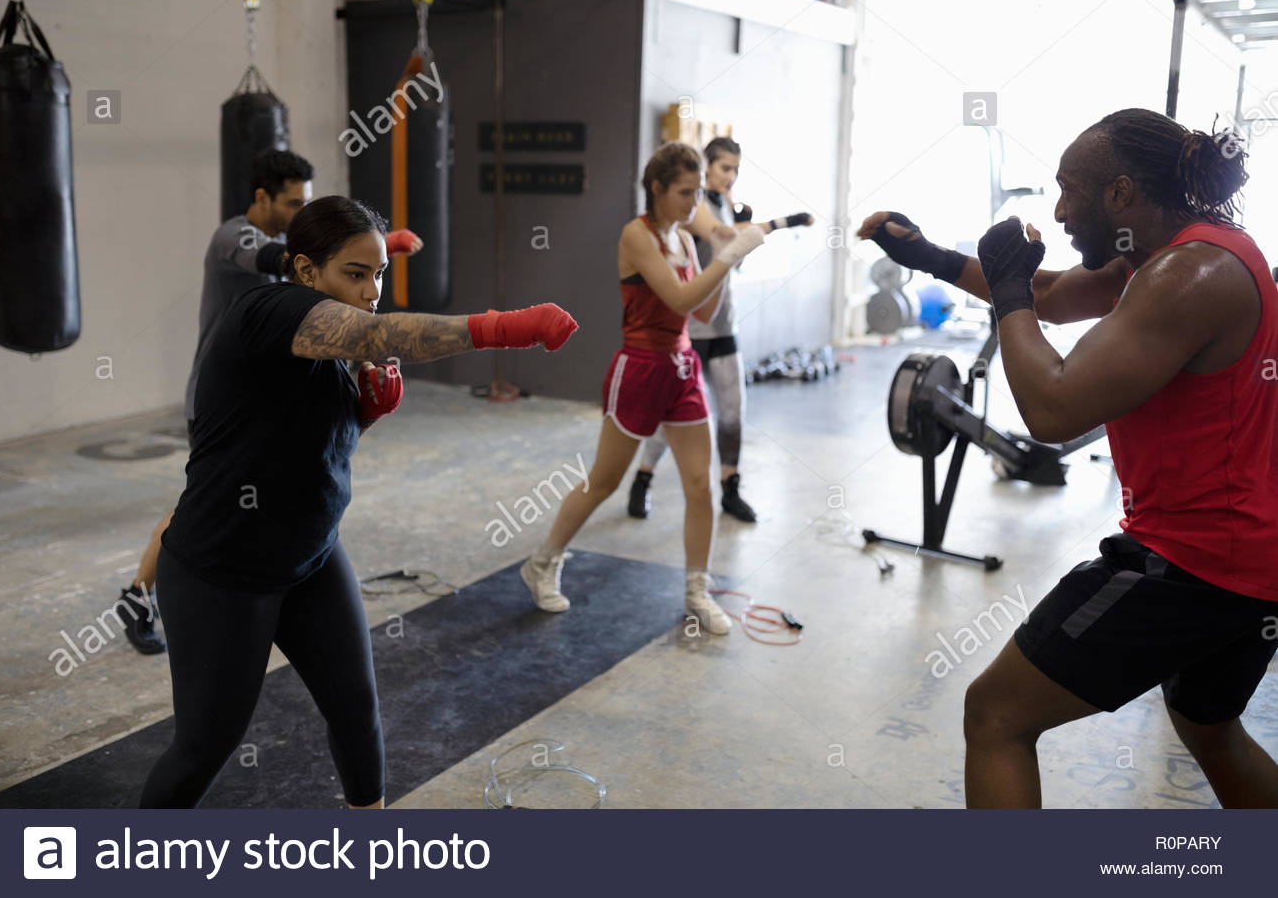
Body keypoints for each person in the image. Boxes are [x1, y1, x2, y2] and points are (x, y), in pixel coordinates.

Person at [860, 107, 1278, 808]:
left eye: (1068, 190)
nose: (1057, 211)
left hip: (1193, 563)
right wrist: (929, 255)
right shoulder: (1180, 253)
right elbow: (1049, 298)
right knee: (1209, 727)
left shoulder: (1187, 278)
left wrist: (1011, 290)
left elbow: (1053, 410)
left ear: (1119, 194)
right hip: (1251, 559)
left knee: (996, 714)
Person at [139, 195, 575, 807]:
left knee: (357, 713)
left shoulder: (334, 350)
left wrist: (363, 414)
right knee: (205, 745)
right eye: (355, 272)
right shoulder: (272, 309)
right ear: (304, 271)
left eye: (378, 274)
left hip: (311, 558)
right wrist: (505, 328)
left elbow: (309, 450)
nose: (372, 290)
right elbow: (380, 330)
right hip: (224, 571)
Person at [110, 151, 422, 655]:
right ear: (261, 198)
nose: (303, 212)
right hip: (226, 399)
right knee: (205, 501)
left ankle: (281, 587)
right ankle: (139, 594)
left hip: (273, 393)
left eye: (309, 201)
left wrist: (371, 257)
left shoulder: (293, 252)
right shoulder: (234, 237)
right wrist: (369, 247)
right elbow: (274, 260)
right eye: (294, 203)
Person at [518, 142, 767, 633]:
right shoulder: (637, 235)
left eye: (698, 193)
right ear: (656, 188)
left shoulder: (683, 238)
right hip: (641, 366)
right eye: (683, 192)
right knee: (605, 480)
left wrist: (722, 260)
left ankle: (698, 588)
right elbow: (677, 297)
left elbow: (702, 313)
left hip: (681, 365)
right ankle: (543, 562)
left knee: (700, 483)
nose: (692, 203)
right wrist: (728, 255)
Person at [628, 136, 813, 522]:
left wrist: (772, 225)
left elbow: (733, 235)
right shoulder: (687, 218)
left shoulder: (719, 208)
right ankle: (642, 479)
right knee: (668, 418)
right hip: (688, 333)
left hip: (721, 320)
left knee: (732, 412)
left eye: (736, 170)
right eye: (724, 168)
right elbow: (723, 237)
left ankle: (730, 487)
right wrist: (776, 225)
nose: (730, 177)